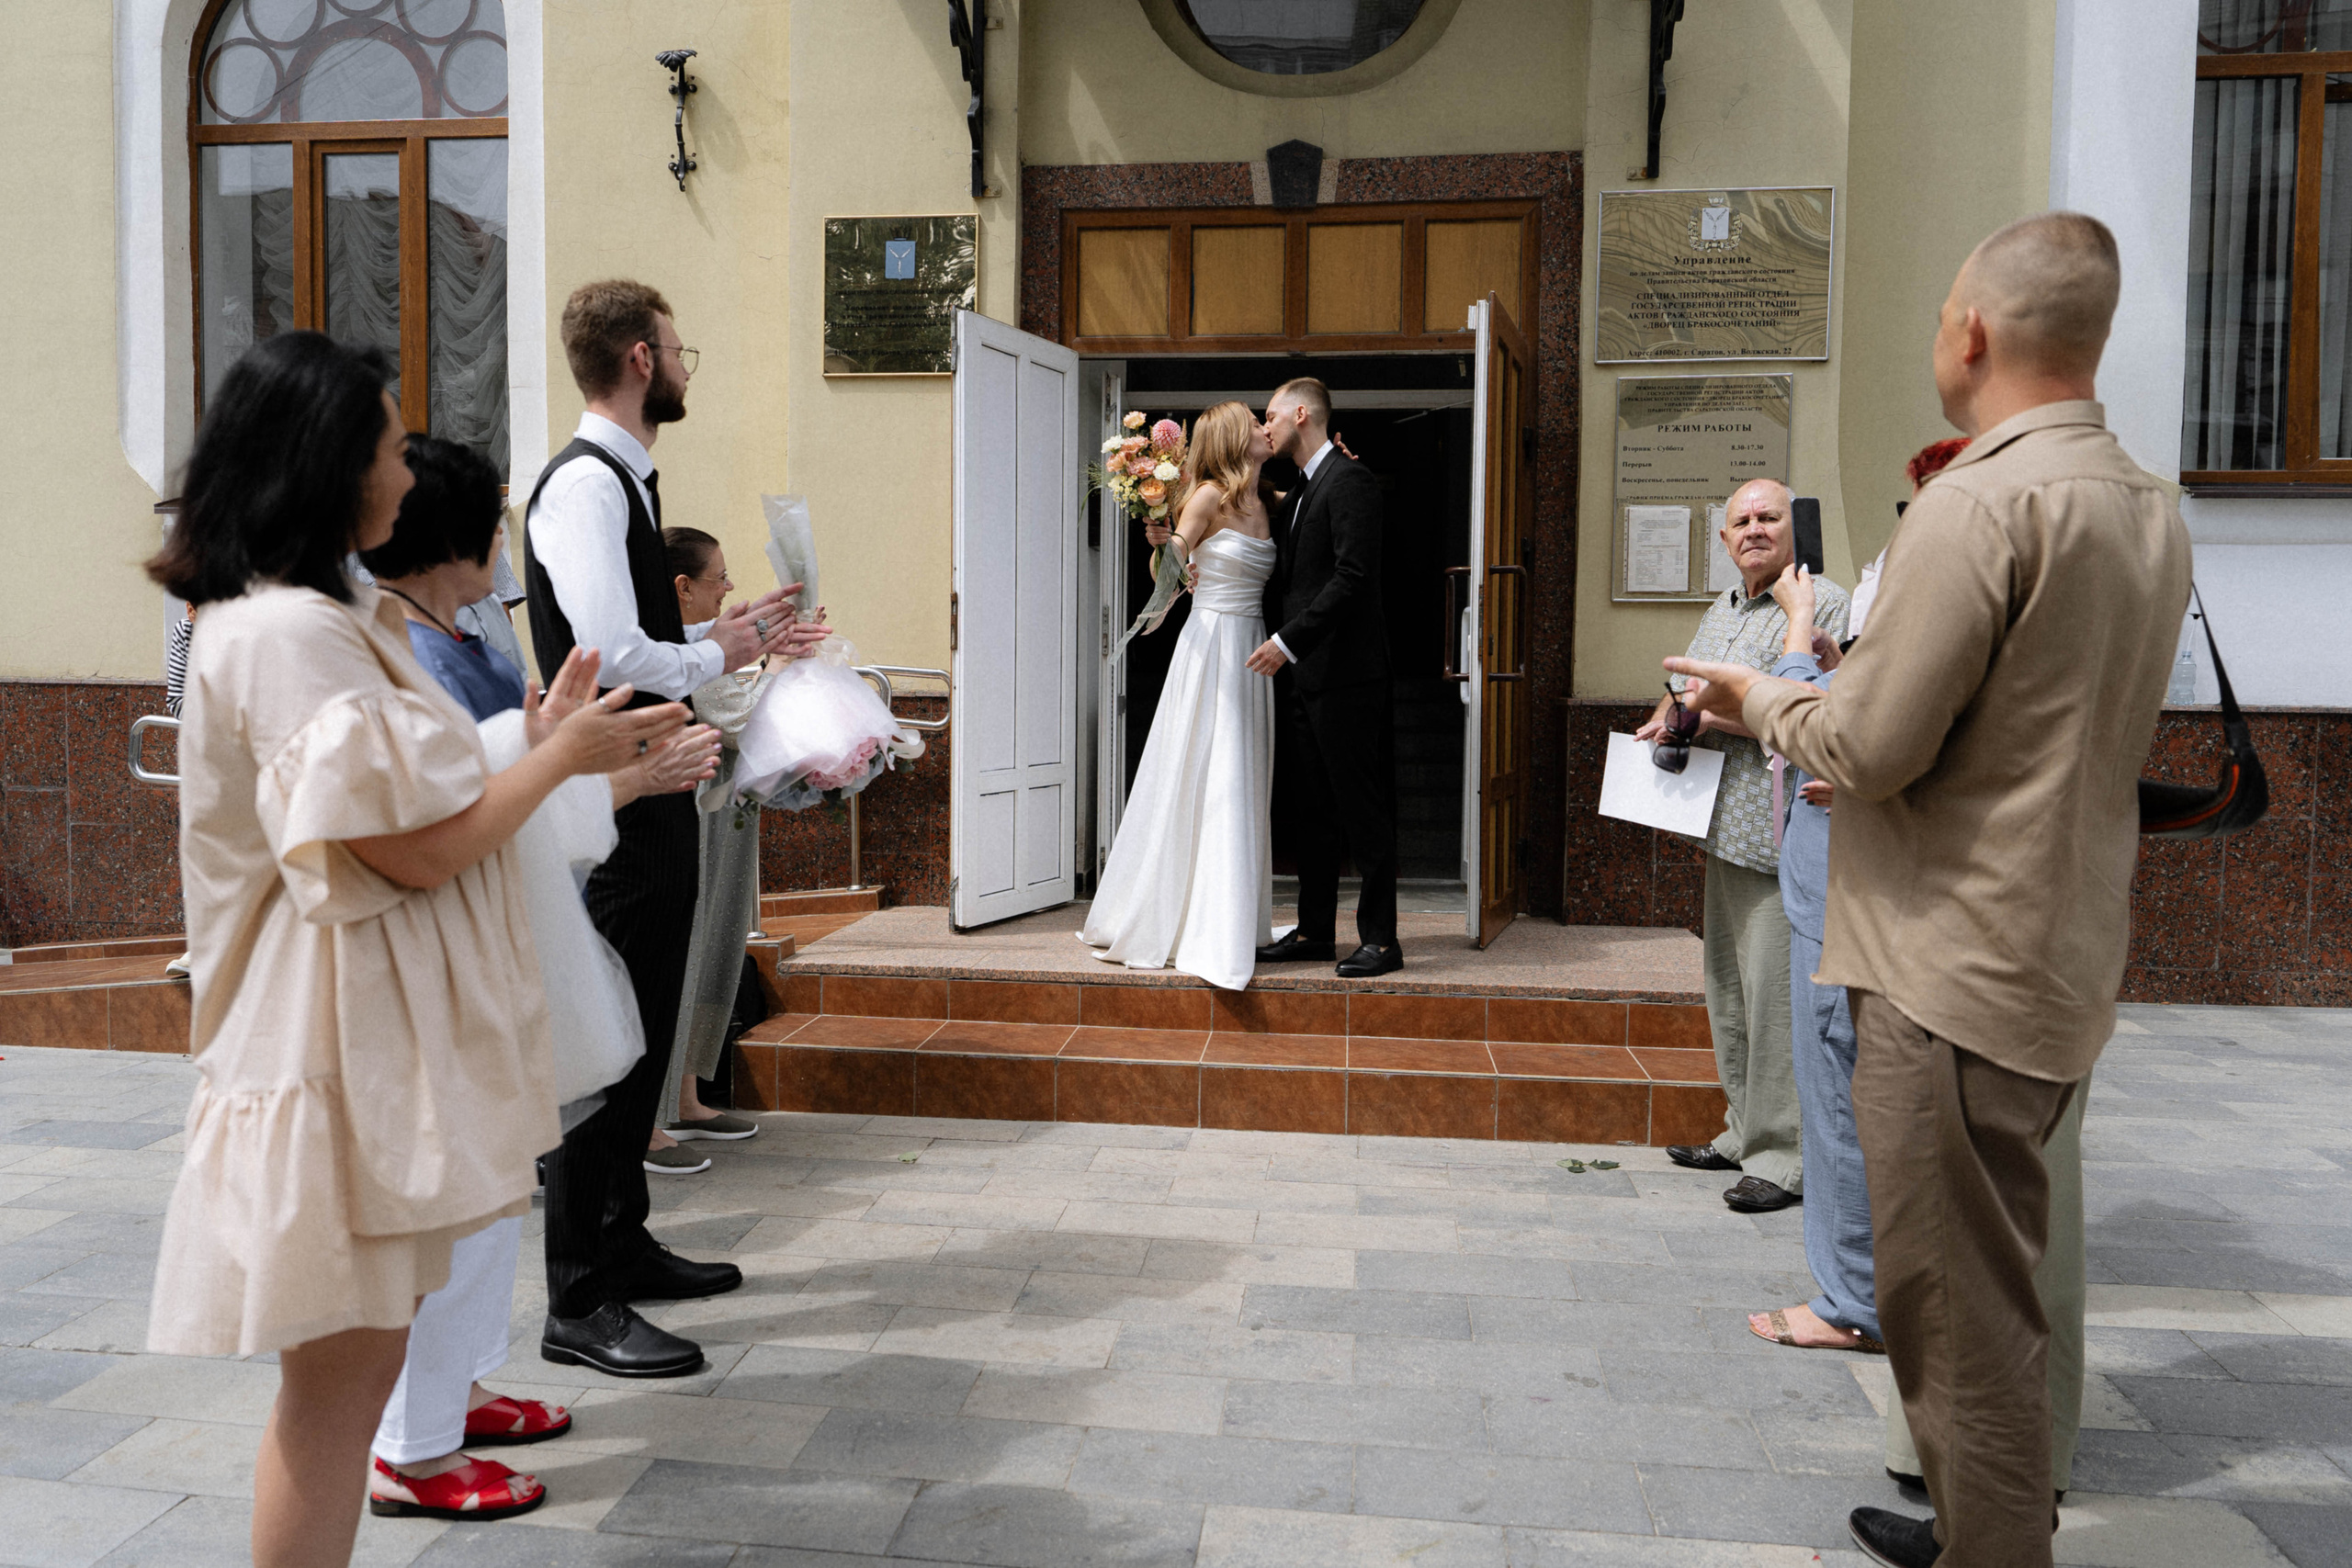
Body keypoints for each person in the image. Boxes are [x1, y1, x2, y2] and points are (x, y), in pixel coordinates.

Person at [1665, 211, 2191, 1568]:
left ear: (1970, 332)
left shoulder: (1980, 500)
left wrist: (1758, 690)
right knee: (1989, 1295)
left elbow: (1867, 741)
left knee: (1957, 1318)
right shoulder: (2143, 499)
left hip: (1948, 968)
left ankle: (1993, 1540)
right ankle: (1978, 1523)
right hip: (2052, 946)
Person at [142, 332, 689, 1568]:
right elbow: (412, 848)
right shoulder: (286, 630)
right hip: (327, 1052)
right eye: (391, 443)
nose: (408, 465)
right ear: (330, 463)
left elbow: (415, 807)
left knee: (355, 1369)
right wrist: (563, 753)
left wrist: (540, 739)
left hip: (360, 1045)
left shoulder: (327, 611)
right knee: (336, 1392)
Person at [355, 434, 721, 1519]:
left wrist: (568, 752)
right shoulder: (403, 653)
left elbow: (502, 778)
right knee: (453, 1202)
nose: (508, 551)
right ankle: (410, 1449)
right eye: (494, 526)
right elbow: (454, 814)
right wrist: (597, 773)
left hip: (498, 926)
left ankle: (455, 1392)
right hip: (445, 943)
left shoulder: (450, 629)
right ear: (454, 536)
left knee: (490, 1196)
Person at [523, 279, 825, 1378]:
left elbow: (648, 629)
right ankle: (579, 1297)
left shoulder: (625, 484)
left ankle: (624, 1239)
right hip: (617, 795)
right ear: (642, 359)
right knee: (604, 1049)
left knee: (642, 1023)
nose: (688, 363)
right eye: (680, 345)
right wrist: (719, 655)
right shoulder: (587, 487)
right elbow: (609, 647)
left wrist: (728, 626)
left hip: (652, 778)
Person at [1635, 479, 1849, 1214]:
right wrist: (1667, 717)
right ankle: (1740, 1130)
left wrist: (1705, 711)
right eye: (1741, 521)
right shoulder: (1721, 609)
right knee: (1729, 991)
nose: (1754, 529)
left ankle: (1784, 1156)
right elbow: (1684, 687)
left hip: (1782, 833)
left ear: (1796, 529)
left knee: (1776, 999)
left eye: (1769, 517)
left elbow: (1808, 711)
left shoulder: (1822, 604)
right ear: (1725, 541)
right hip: (1720, 824)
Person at [1083, 401, 1280, 988]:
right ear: (1231, 438)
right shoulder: (1208, 495)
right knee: (1212, 774)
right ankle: (1195, 923)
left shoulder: (1268, 501)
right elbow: (1173, 559)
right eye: (1254, 423)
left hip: (1252, 648)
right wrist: (1165, 547)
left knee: (1242, 775)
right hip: (1212, 648)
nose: (1265, 429)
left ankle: (1234, 914)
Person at [1246, 378, 1403, 980]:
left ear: (1301, 413)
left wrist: (1288, 641)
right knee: (1311, 809)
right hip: (1308, 678)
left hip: (1348, 676)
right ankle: (1314, 930)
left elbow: (1353, 575)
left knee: (1361, 808)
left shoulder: (1351, 480)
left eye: (1271, 415)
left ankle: (1382, 940)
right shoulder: (1305, 489)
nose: (1265, 426)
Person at [653, 525, 774, 1164]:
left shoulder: (709, 643)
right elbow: (737, 715)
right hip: (689, 815)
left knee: (718, 947)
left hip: (726, 810)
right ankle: (655, 1113)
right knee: (687, 948)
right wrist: (788, 673)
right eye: (718, 578)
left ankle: (689, 1093)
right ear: (682, 586)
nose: (728, 589)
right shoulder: (672, 646)